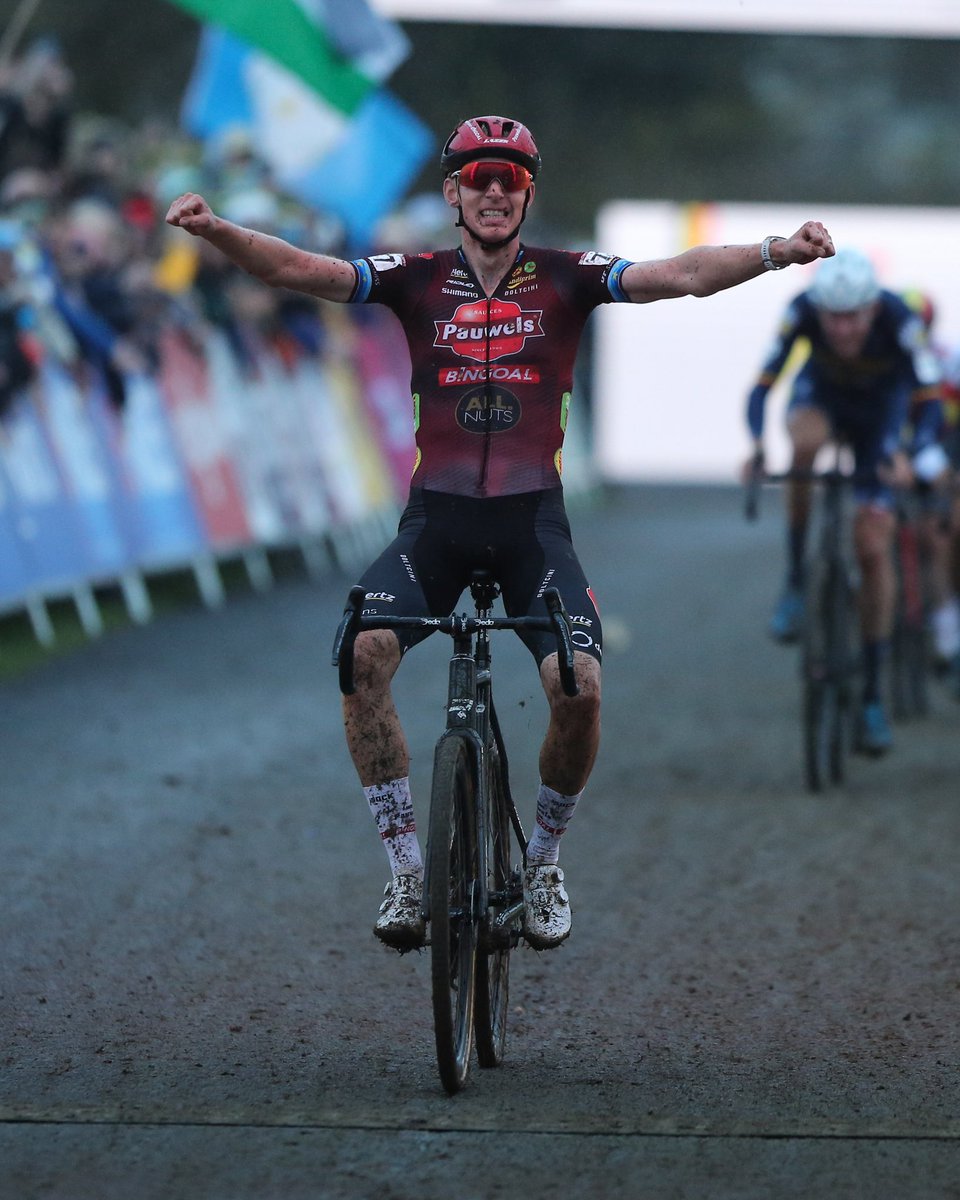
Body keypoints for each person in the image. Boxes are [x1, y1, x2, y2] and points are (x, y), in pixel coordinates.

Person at [166, 114, 834, 951]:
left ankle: (544, 862)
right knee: (361, 655)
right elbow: (305, 270)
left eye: (509, 179)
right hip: (435, 521)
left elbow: (684, 274)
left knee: (579, 689)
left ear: (527, 193)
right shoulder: (413, 276)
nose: (491, 190)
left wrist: (778, 250)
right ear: (452, 191)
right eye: (477, 177)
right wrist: (219, 230)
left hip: (531, 524)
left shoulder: (566, 276)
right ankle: (409, 869)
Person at [745, 247, 944, 756]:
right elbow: (764, 384)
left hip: (882, 418)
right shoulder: (801, 310)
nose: (842, 330)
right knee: (804, 447)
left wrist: (912, 453)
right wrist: (758, 448)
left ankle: (873, 695)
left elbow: (930, 399)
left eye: (852, 317)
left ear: (872, 308)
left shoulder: (900, 321)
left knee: (873, 549)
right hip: (823, 400)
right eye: (832, 318)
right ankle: (795, 583)